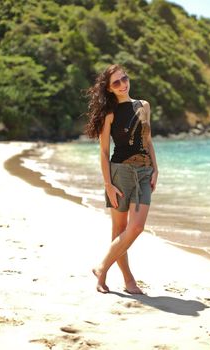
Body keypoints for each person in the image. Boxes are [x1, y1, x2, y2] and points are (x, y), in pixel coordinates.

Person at [85, 64, 158, 294]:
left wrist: (156, 169)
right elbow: (104, 152)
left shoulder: (143, 106)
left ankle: (101, 267)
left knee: (135, 227)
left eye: (124, 78)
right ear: (109, 88)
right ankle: (128, 280)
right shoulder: (110, 113)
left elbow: (147, 141)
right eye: (116, 82)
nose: (123, 84)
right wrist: (108, 184)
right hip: (120, 173)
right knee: (119, 228)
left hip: (144, 172)